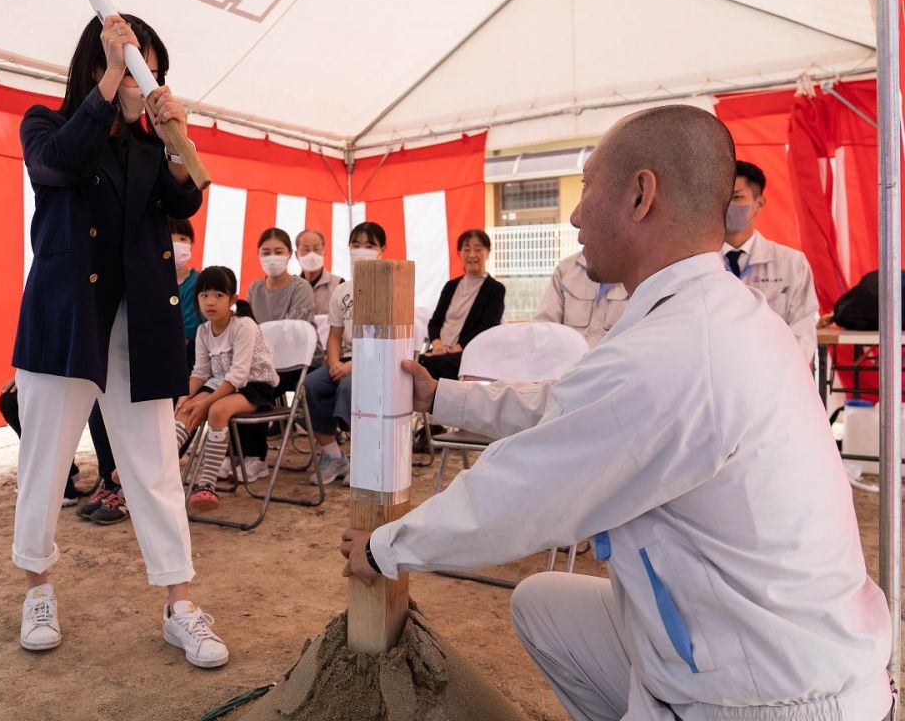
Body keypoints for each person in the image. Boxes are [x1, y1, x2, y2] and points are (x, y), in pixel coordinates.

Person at [340, 105, 891, 721]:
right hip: (759, 641)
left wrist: (385, 548)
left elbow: (525, 490)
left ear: (639, 194)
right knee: (544, 603)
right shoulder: (702, 313)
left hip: (767, 696)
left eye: (587, 186)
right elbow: (572, 408)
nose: (575, 215)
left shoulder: (681, 347)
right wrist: (443, 398)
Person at [10, 12, 227, 668]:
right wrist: (110, 82)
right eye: (137, 63)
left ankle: (179, 604)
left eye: (152, 66)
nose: (146, 77)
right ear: (100, 64)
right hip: (65, 321)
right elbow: (56, 166)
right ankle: (38, 590)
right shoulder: (46, 125)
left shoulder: (145, 145)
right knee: (44, 465)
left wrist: (172, 135)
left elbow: (184, 199)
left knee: (155, 470)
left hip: (140, 328)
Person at [176, 266, 279, 510]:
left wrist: (206, 401)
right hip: (222, 383)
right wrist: (186, 396)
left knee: (216, 411)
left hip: (255, 385)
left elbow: (240, 375)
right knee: (183, 409)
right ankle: (155, 469)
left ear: (232, 299)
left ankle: (207, 486)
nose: (210, 301)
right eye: (204, 295)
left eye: (218, 295)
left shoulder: (243, 325)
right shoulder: (202, 331)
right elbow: (200, 372)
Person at [304, 222, 386, 486]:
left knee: (350, 387)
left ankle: (365, 458)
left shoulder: (390, 286)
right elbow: (335, 335)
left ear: (382, 250)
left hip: (380, 361)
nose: (361, 250)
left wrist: (353, 367)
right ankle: (334, 455)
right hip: (347, 360)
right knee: (311, 385)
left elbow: (386, 341)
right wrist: (334, 362)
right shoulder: (342, 290)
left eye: (369, 245)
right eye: (356, 245)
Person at [722, 160, 819, 364]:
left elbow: (803, 326)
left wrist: (781, 372)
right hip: (716, 377)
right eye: (722, 198)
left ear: (759, 203)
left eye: (737, 197)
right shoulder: (696, 261)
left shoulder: (791, 263)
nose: (728, 205)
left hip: (773, 374)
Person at [0, 377, 129, 523]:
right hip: (72, 373)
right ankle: (65, 473)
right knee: (10, 400)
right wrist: (28, 374)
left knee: (99, 402)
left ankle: (121, 486)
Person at [417, 229, 506, 380]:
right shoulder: (450, 286)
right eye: (466, 249)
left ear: (487, 253)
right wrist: (437, 344)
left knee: (427, 365)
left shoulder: (495, 289)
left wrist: (457, 347)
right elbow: (435, 321)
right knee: (414, 363)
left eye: (478, 249)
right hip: (440, 351)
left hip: (469, 353)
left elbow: (489, 326)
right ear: (459, 253)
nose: (472, 255)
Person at [534, 250, 629, 348]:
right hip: (571, 361)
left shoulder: (636, 273)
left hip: (615, 362)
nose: (580, 238)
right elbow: (544, 329)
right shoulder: (565, 269)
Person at [246, 227, 314, 324]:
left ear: (290, 253)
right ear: (258, 254)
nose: (272, 257)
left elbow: (294, 330)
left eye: (278, 252)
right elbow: (246, 326)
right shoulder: (254, 288)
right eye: (266, 253)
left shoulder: (301, 288)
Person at [171, 218, 201, 369]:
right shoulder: (150, 281)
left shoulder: (198, 283)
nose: (176, 244)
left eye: (183, 239)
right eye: (169, 237)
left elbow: (188, 332)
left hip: (186, 363)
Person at [295, 229, 344, 317]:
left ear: (324, 252)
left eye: (316, 249)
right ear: (296, 254)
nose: (311, 254)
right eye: (306, 249)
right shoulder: (292, 286)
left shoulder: (338, 284)